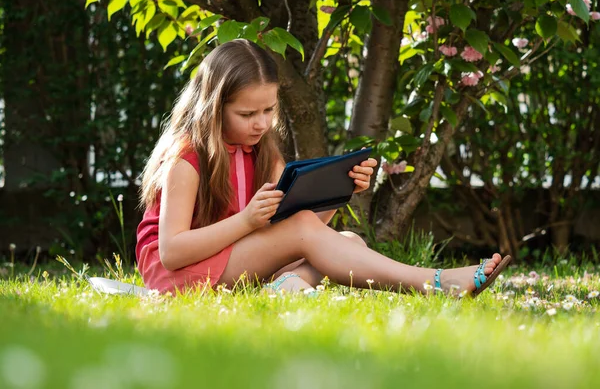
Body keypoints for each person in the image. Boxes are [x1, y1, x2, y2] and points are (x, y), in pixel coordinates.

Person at [136, 39, 511, 296]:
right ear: (212, 108)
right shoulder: (187, 159)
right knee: (310, 233)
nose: (261, 124)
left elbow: (307, 232)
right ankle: (436, 283)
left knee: (350, 243)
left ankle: (288, 288)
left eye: (268, 111)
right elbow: (172, 251)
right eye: (247, 114)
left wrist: (340, 192)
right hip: (177, 275)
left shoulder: (261, 153)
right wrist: (248, 221)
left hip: (229, 262)